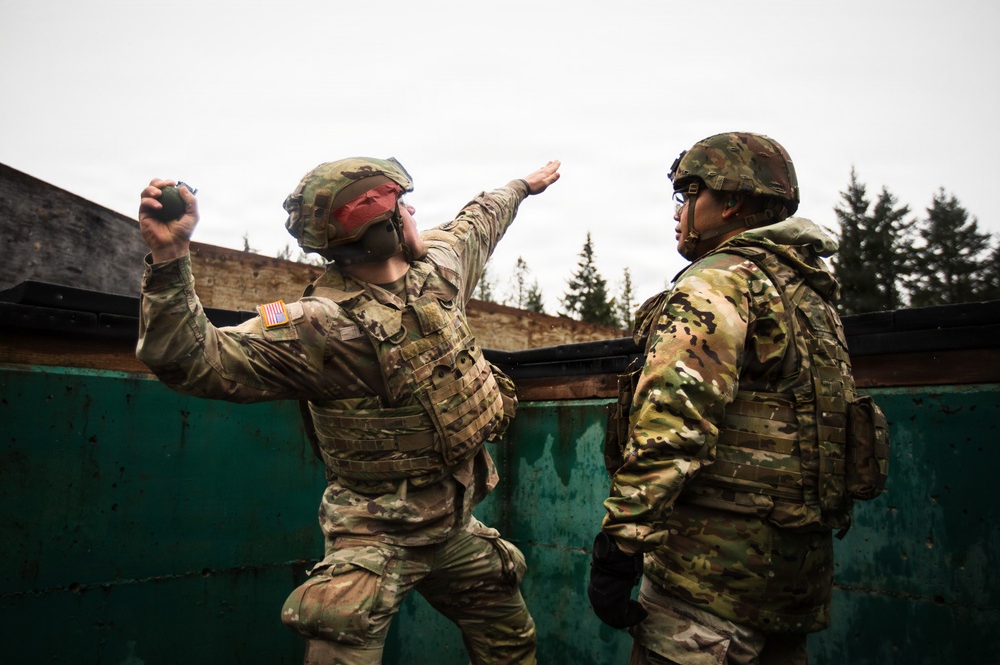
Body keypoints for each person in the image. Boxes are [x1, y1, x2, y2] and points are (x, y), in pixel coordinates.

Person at [136, 156, 561, 664]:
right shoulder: (318, 326)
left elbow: (480, 218)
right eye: (402, 207)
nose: (413, 213)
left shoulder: (441, 271)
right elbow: (189, 358)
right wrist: (170, 256)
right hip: (373, 541)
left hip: (454, 526)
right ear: (382, 233)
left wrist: (522, 186)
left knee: (511, 644)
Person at [588, 133, 887, 664]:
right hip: (791, 587)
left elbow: (674, 421)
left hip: (706, 588)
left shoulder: (720, 282)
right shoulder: (810, 293)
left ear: (729, 203)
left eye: (690, 194)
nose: (679, 211)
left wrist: (622, 545)